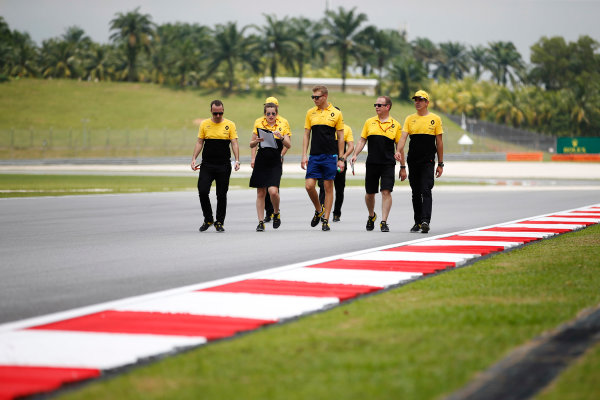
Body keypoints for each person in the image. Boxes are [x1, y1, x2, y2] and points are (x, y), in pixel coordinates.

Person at [351, 96, 402, 232]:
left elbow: (400, 145)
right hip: (372, 162)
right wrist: (355, 154)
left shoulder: (395, 124)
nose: (377, 107)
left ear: (387, 107)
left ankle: (384, 221)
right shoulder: (369, 122)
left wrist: (401, 161)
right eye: (376, 105)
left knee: (386, 191)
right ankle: (371, 215)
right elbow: (362, 140)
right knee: (369, 193)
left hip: (388, 163)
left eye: (380, 105)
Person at [396, 90, 444, 234]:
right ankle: (417, 222)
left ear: (427, 102)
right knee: (415, 192)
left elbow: (439, 143)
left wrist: (440, 163)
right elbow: (403, 137)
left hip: (428, 160)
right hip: (413, 160)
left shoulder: (435, 119)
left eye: (420, 100)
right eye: (416, 100)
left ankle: (425, 221)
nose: (417, 102)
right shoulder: (410, 119)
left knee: (426, 190)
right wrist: (399, 150)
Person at [191, 100, 240, 232]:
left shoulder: (229, 124)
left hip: (223, 165)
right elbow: (199, 142)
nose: (218, 116)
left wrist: (237, 160)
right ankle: (208, 219)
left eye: (220, 113)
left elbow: (234, 143)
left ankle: (219, 222)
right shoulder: (204, 124)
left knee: (221, 194)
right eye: (215, 113)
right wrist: (194, 158)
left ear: (223, 111)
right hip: (207, 165)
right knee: (202, 191)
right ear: (211, 112)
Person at [301, 85, 345, 231]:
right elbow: (307, 134)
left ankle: (326, 219)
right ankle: (319, 209)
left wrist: (341, 158)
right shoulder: (310, 113)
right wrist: (304, 154)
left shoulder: (336, 113)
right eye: (312, 97)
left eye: (317, 97)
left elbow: (340, 137)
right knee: (309, 186)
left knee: (328, 187)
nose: (314, 99)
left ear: (325, 97)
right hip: (314, 155)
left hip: (330, 156)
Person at [249, 102, 291, 231]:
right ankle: (260, 222)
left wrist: (281, 138)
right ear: (265, 114)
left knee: (273, 191)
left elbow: (288, 145)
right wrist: (256, 142)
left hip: (275, 161)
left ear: (276, 114)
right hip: (262, 160)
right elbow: (251, 144)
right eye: (268, 114)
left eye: (273, 113)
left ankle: (276, 212)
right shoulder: (259, 124)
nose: (271, 116)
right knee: (261, 192)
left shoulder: (282, 124)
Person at [318, 113, 354, 222]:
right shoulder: (324, 128)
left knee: (339, 188)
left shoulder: (346, 129)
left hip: (339, 162)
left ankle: (337, 212)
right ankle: (323, 211)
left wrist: (343, 157)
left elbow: (351, 145)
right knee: (323, 186)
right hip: (325, 161)